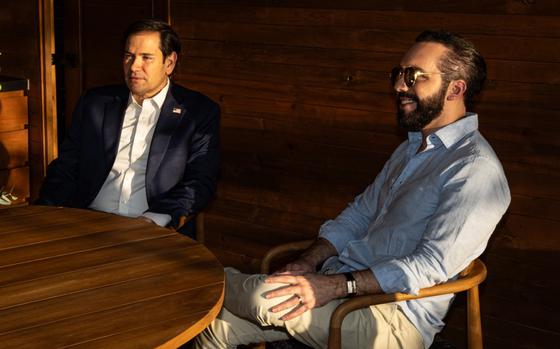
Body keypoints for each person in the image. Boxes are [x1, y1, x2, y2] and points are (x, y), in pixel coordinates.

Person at [192, 30, 510, 349]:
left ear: (455, 88)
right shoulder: (412, 148)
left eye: (414, 76)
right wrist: (309, 261)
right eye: (398, 74)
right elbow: (359, 216)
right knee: (215, 330)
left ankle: (193, 278)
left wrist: (335, 286)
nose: (400, 85)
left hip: (393, 318)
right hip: (345, 287)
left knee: (258, 298)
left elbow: (430, 266)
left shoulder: (475, 169)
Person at [36, 19, 220, 238]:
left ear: (169, 63)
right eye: (128, 56)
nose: (134, 66)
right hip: (86, 222)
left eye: (146, 58)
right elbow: (67, 165)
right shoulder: (96, 102)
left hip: (155, 230)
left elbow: (199, 182)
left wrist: (153, 220)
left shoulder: (197, 112)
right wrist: (44, 212)